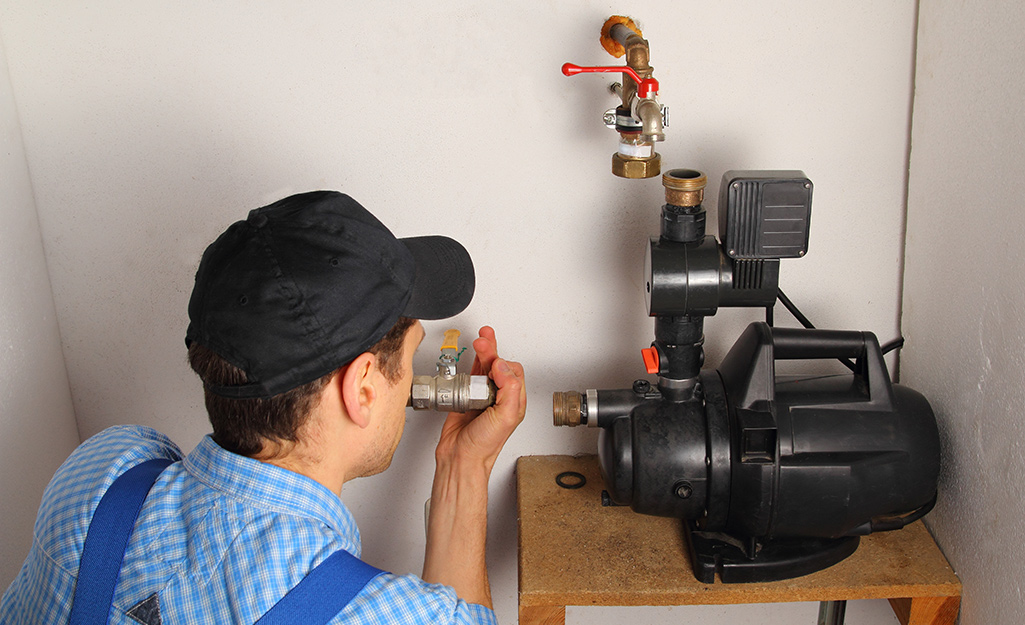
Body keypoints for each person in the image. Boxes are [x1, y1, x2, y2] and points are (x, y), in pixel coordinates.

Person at [0, 191, 526, 624]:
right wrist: (467, 465)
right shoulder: (385, 616)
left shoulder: (100, 481)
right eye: (412, 356)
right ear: (363, 388)